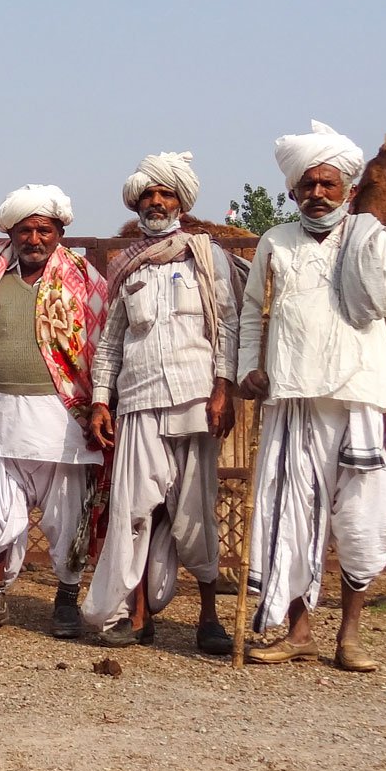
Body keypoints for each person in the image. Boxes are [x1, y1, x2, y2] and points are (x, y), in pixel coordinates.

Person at [241, 121, 386, 672]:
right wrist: (250, 365)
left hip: (363, 398)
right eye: (307, 185)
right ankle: (298, 631)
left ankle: (350, 634)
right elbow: (252, 311)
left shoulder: (372, 239)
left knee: (363, 519)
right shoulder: (275, 241)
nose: (317, 194)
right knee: (289, 516)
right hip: (293, 398)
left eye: (328, 184)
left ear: (345, 186)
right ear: (293, 189)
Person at [81, 151, 237, 654]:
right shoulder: (125, 265)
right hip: (140, 399)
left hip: (195, 398)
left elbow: (228, 328)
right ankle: (136, 615)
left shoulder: (205, 254)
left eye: (164, 194)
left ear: (180, 201)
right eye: (147, 195)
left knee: (195, 513)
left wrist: (223, 389)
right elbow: (110, 340)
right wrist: (101, 401)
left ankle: (209, 618)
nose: (155, 202)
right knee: (135, 511)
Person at [0, 184, 108, 637]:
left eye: (44, 230)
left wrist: (101, 404)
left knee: (68, 514)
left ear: (59, 232)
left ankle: (66, 602)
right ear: (11, 231)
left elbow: (102, 347)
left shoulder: (86, 282)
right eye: (25, 230)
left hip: (63, 418)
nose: (34, 239)